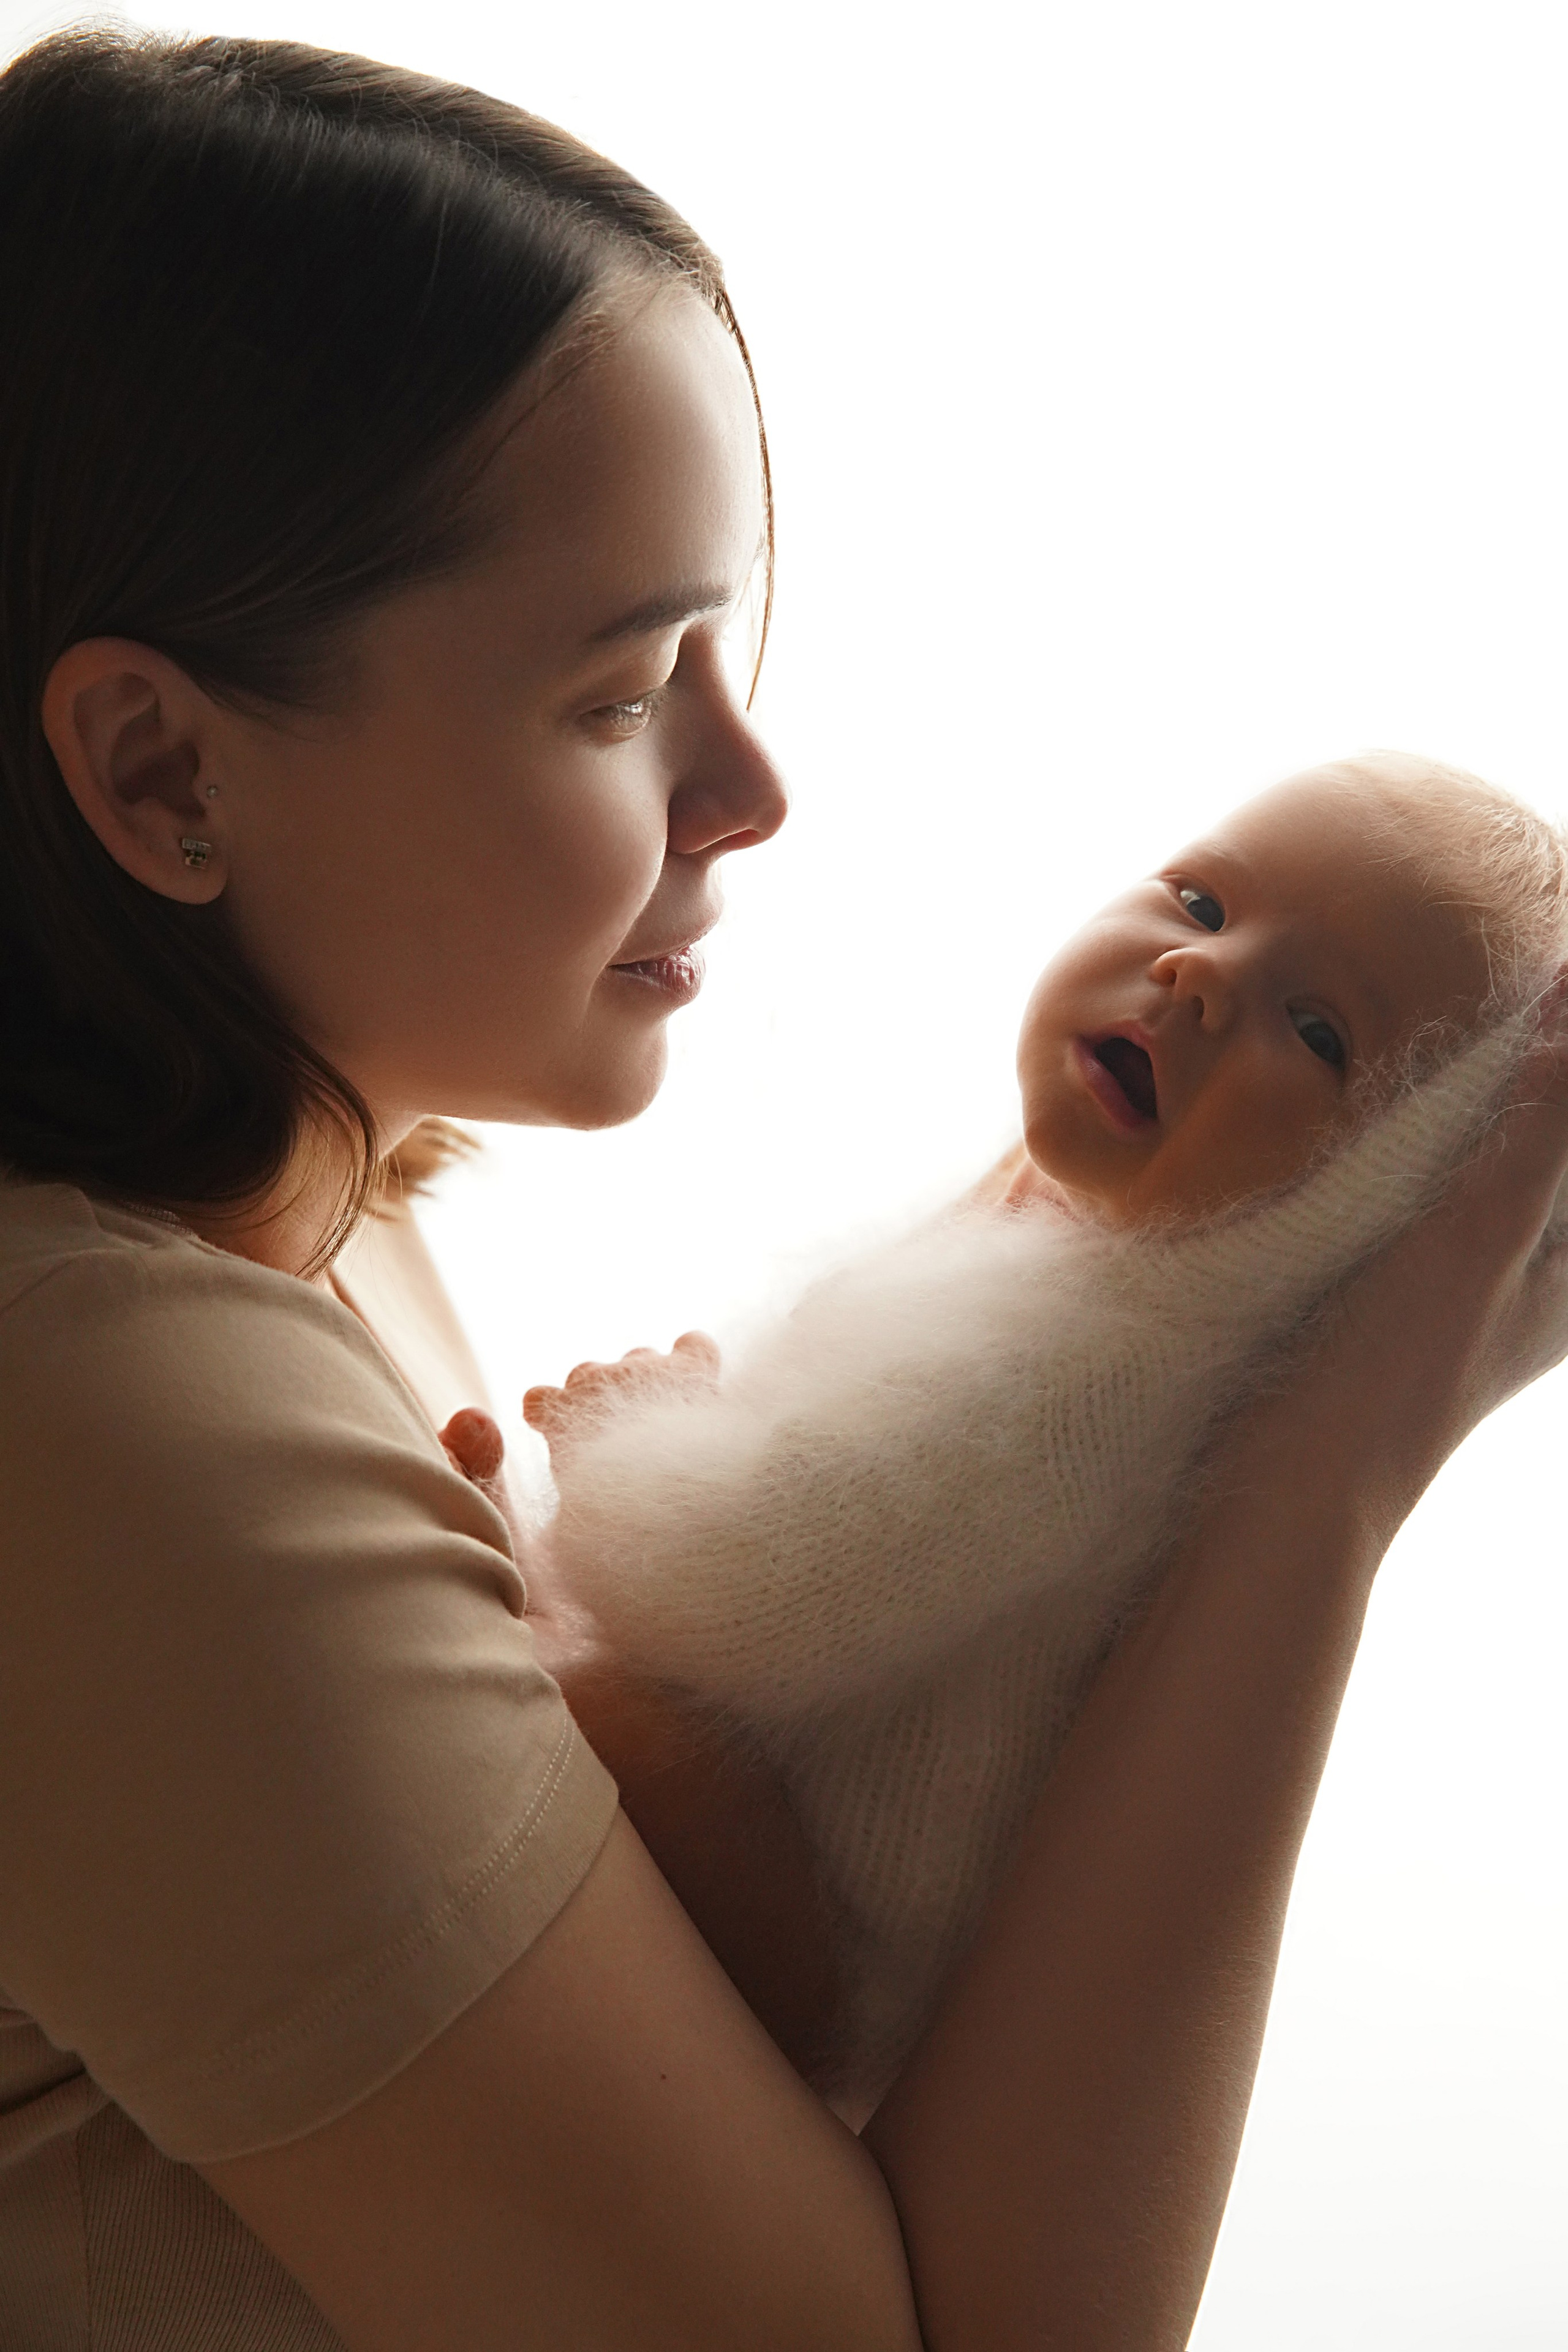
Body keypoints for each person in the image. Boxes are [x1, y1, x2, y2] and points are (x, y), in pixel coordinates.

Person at [0, 27, 1564, 2352]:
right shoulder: (101, 1410)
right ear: (159, 772)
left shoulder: (319, 1219)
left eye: (722, 653)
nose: (754, 786)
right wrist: (1329, 1460)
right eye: (622, 693)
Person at [533, 753, 1567, 2111]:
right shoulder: (1071, 1249)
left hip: (807, 1926)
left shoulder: (1110, 1378)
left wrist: (616, 1453)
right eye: (1200, 902)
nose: (1201, 975)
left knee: (567, 1690)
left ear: (1370, 1201)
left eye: (1319, 1034)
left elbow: (738, 1592)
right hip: (787, 1818)